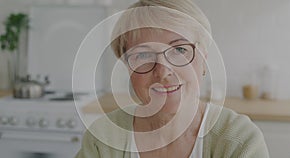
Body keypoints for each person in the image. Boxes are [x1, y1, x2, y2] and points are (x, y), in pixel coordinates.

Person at [76, 0, 269, 157]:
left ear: (203, 60)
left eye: (179, 50)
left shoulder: (239, 140)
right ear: (128, 68)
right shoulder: (101, 139)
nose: (162, 72)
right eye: (143, 55)